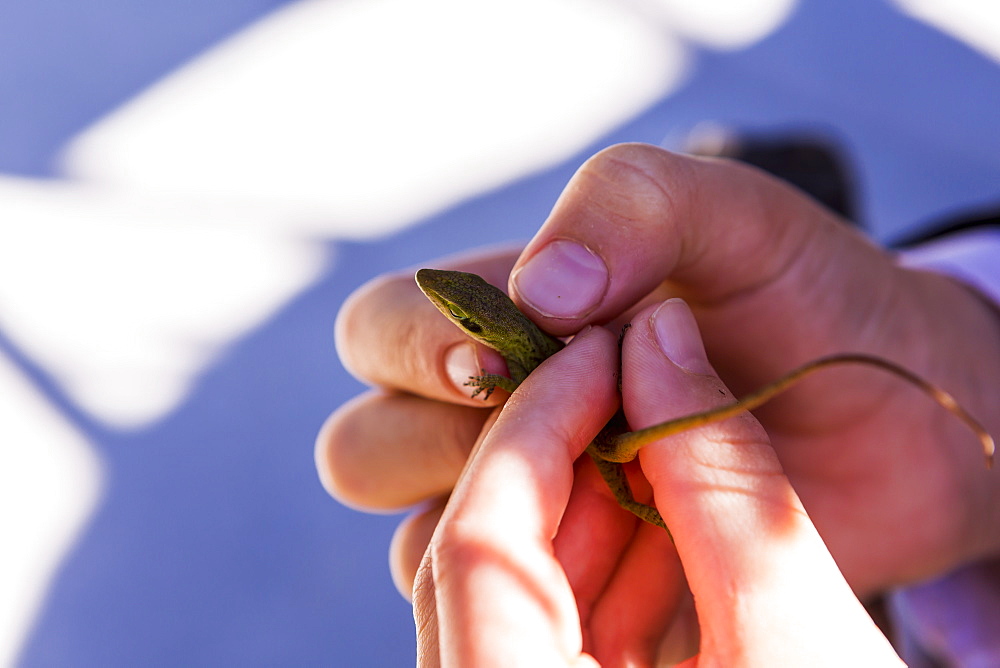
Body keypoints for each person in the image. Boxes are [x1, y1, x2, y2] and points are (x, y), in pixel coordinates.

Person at [316, 143, 1000, 665]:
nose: (449, 305)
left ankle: (654, 512)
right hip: (615, 437)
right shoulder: (518, 342)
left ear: (483, 327)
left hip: (615, 444)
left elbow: (517, 385)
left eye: (459, 314)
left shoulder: (513, 356)